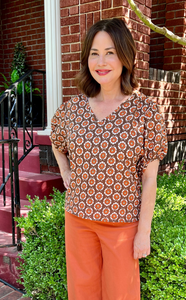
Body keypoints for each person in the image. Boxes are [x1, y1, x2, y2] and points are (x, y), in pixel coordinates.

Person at [50, 18, 168, 300]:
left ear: (125, 56)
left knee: (121, 294)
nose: (101, 61)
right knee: (81, 292)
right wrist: (65, 170)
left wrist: (144, 232)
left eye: (110, 52)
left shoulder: (146, 112)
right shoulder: (72, 109)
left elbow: (150, 177)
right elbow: (56, 142)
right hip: (78, 218)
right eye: (94, 53)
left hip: (122, 224)